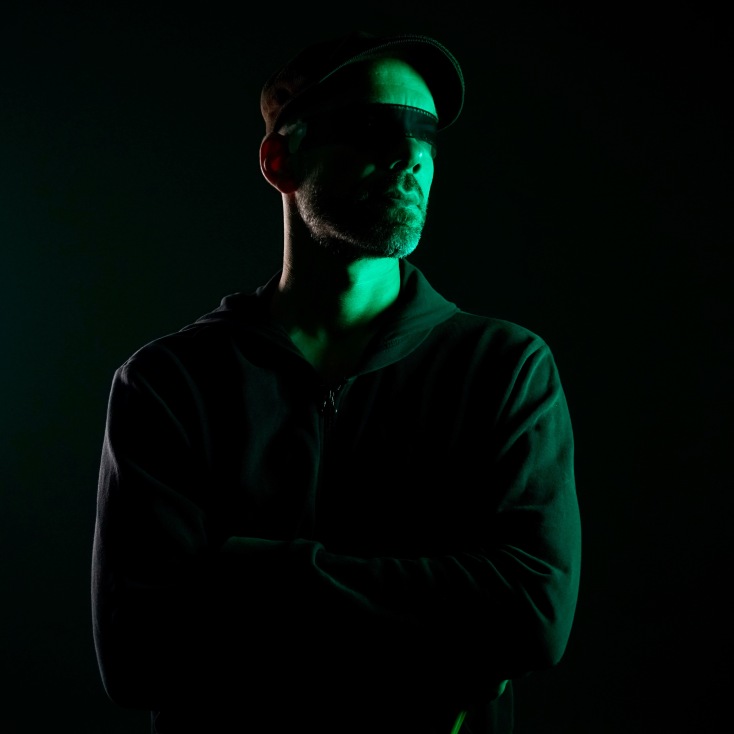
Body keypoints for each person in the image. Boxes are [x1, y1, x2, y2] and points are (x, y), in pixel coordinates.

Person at [91, 29, 582, 734]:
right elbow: (138, 653)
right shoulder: (169, 384)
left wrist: (245, 573)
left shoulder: (504, 369)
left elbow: (532, 617)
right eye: (372, 129)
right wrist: (439, 625)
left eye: (425, 135)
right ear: (280, 160)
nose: (409, 157)